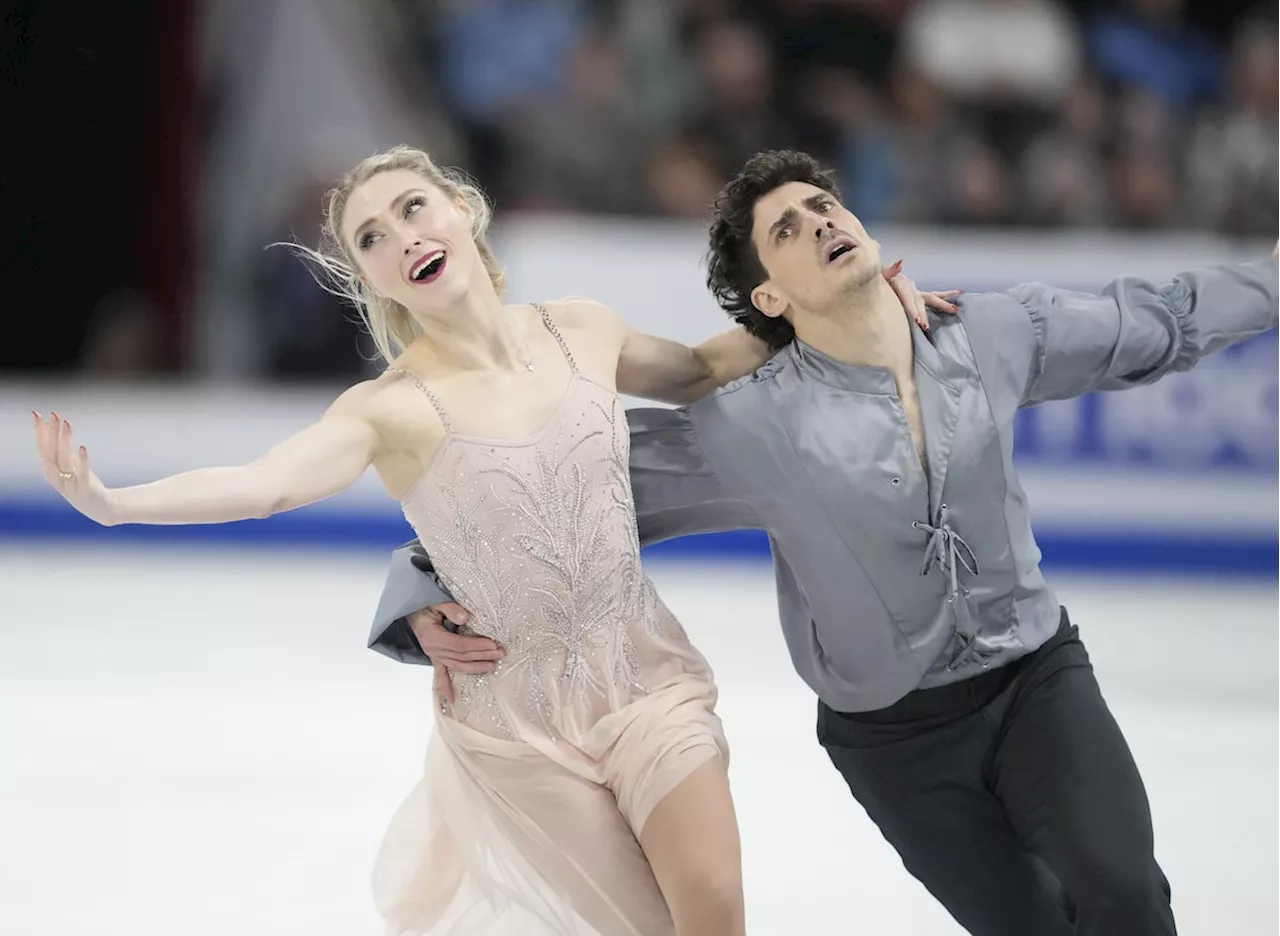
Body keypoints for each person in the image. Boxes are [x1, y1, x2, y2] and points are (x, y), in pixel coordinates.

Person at [31, 145, 954, 936]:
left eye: (412, 209)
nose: (403, 239)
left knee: (712, 908)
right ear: (370, 278)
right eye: (373, 240)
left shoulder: (577, 329)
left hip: (644, 677)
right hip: (517, 729)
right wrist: (114, 503)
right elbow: (266, 483)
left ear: (463, 211)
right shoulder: (388, 409)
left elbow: (708, 367)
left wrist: (849, 297)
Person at [373, 149, 1280, 935]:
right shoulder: (751, 429)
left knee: (1122, 893)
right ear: (768, 295)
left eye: (824, 208)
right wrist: (417, 591)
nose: (817, 225)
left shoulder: (992, 334)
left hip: (1038, 679)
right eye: (786, 231)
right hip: (897, 745)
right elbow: (557, 496)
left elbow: (1157, 321)